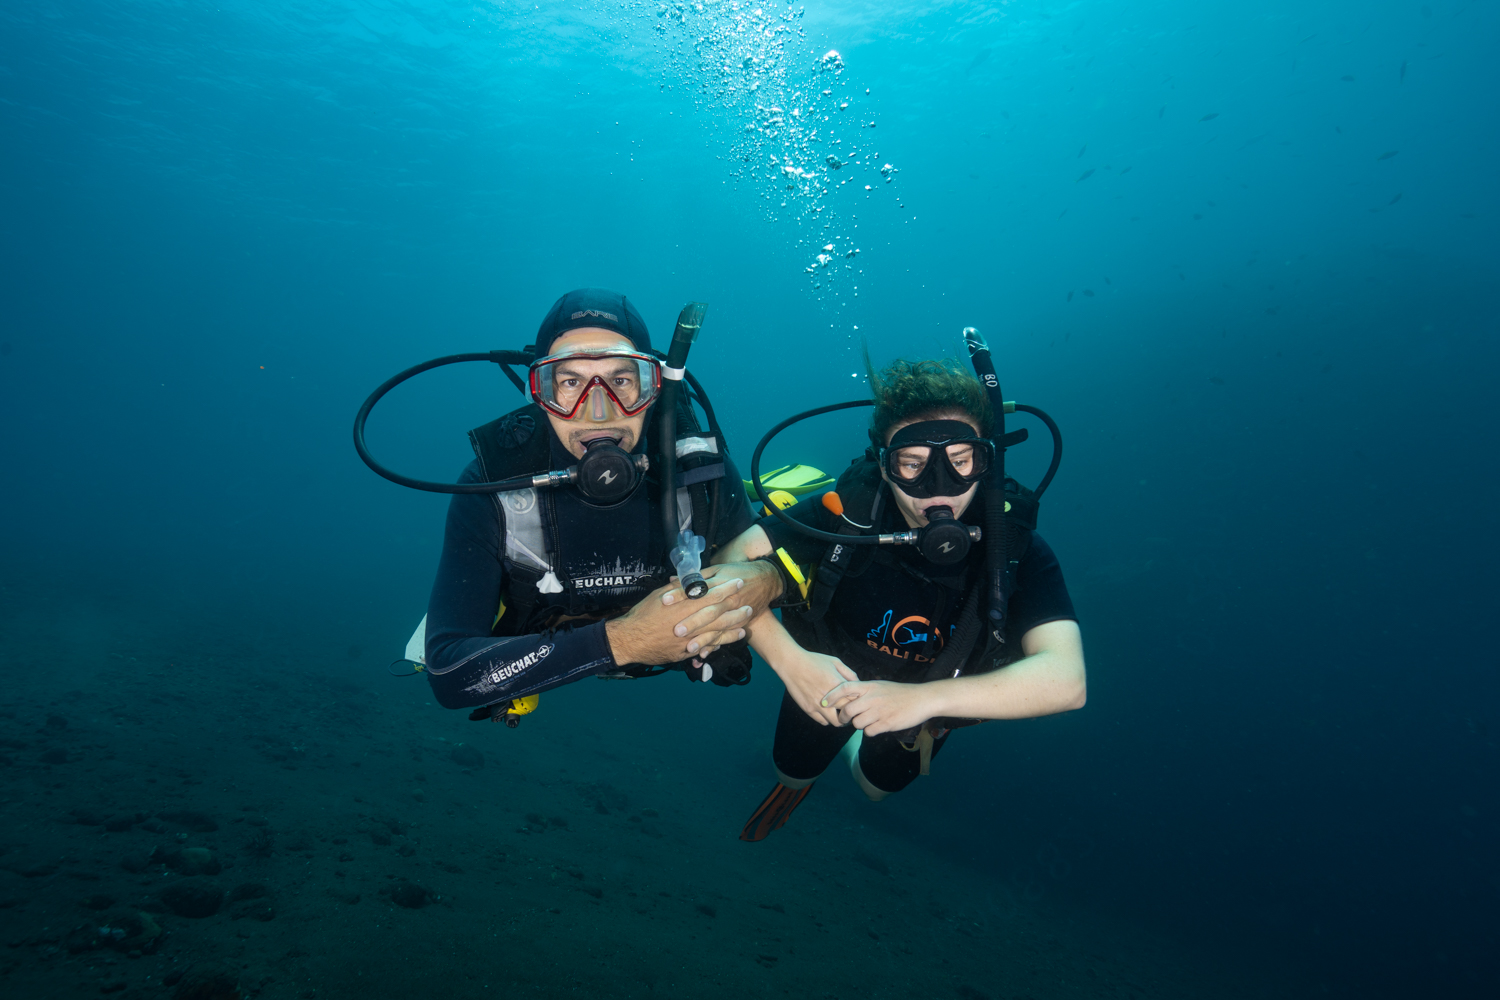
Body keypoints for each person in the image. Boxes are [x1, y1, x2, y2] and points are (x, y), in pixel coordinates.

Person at [720, 356, 1087, 840]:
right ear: (883, 465)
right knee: (792, 769)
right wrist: (789, 661)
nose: (939, 492)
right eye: (912, 464)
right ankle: (798, 784)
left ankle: (857, 752)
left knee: (875, 788)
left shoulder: (1012, 548)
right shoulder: (846, 512)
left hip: (927, 707)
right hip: (824, 681)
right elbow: (728, 563)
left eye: (960, 462)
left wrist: (921, 701)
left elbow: (1067, 680)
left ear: (986, 460)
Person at [421, 288, 781, 718]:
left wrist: (767, 578)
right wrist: (626, 641)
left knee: (765, 515)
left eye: (622, 381)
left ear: (655, 388)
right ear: (540, 394)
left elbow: (778, 568)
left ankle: (771, 489)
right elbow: (448, 674)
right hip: (544, 636)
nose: (597, 412)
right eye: (570, 381)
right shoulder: (493, 489)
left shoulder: (699, 471)